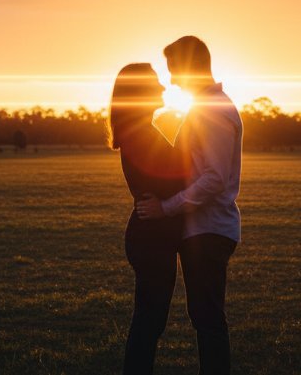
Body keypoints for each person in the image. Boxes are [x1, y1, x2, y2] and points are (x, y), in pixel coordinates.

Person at [137, 36, 243, 375]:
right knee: (205, 318)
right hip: (202, 230)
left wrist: (166, 207)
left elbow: (214, 179)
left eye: (174, 70)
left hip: (210, 230)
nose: (171, 80)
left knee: (208, 320)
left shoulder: (212, 110)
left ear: (189, 68)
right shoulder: (204, 107)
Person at [109, 63, 190, 375]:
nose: (162, 87)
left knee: (150, 322)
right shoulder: (139, 134)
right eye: (155, 82)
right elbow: (174, 179)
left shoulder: (142, 130)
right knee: (148, 323)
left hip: (152, 236)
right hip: (151, 238)